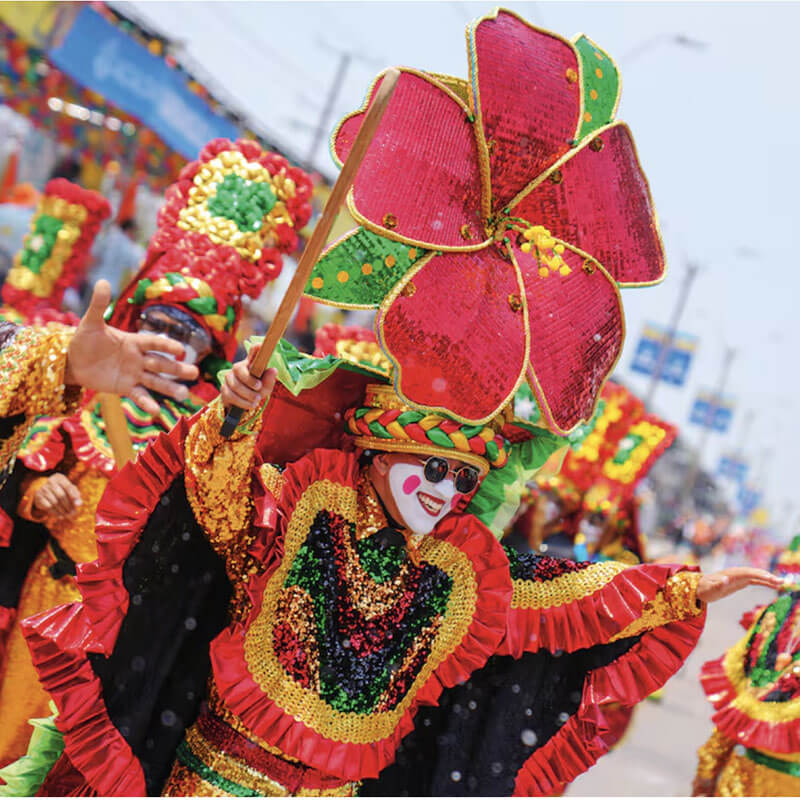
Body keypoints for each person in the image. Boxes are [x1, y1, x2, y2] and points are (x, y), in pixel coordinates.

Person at [0, 138, 312, 766]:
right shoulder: (83, 397)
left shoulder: (205, 429)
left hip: (127, 628)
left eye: (187, 331)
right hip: (51, 594)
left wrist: (237, 415)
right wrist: (36, 494)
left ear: (212, 347)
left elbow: (222, 520)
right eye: (158, 323)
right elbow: (20, 463)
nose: (168, 341)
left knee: (74, 763)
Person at [693, 536, 800, 796]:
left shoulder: (780, 609)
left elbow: (744, 699)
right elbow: (748, 694)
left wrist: (708, 768)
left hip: (743, 776)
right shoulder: (780, 612)